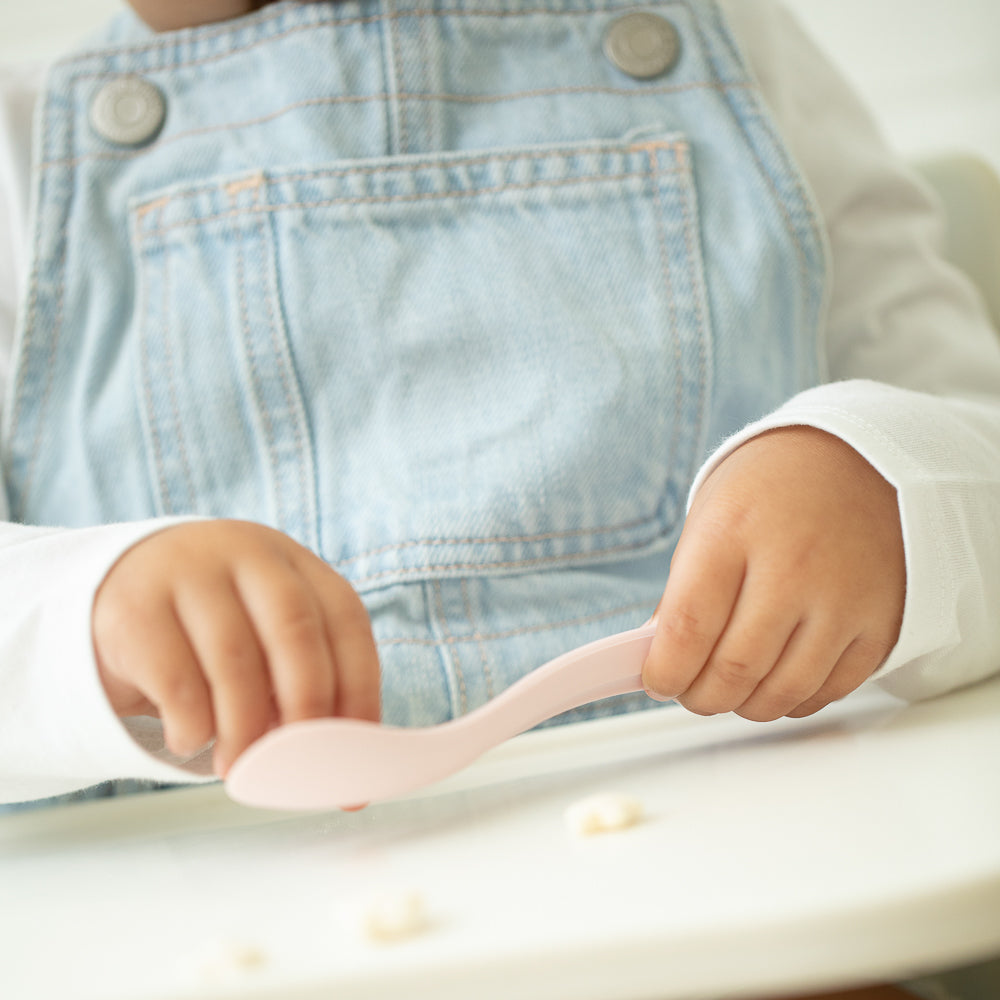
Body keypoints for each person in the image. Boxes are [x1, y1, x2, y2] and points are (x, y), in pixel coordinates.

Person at [3, 1, 998, 997]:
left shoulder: (734, 38)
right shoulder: (20, 151)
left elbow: (975, 439)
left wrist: (882, 476)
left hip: (750, 908)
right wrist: (78, 620)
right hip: (240, 948)